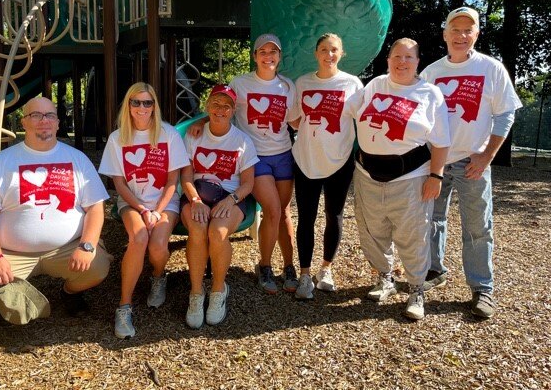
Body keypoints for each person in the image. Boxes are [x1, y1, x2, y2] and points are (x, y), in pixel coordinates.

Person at [0, 97, 112, 325]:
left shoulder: (77, 159)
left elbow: (96, 207)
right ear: (24, 122)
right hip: (12, 252)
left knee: (97, 267)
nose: (44, 121)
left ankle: (69, 293)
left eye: (50, 115)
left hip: (66, 248)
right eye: (36, 115)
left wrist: (87, 246)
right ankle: (18, 295)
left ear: (58, 123)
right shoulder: (2, 162)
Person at [421, 7, 522, 318]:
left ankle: (482, 289)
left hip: (472, 162)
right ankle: (433, 270)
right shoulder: (431, 72)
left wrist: (487, 155)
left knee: (478, 227)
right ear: (445, 34)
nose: (461, 36)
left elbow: (505, 113)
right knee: (431, 219)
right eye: (456, 29)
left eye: (468, 30)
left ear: (477, 34)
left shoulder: (491, 69)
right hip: (436, 162)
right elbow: (419, 115)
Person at [349, 38, 450, 320]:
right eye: (396, 56)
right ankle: (385, 278)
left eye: (408, 57)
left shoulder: (430, 93)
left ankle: (417, 289)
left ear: (418, 62)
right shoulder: (375, 85)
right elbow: (347, 111)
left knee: (412, 235)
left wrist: (436, 176)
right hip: (368, 174)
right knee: (371, 231)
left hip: (411, 176)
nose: (401, 62)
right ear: (388, 59)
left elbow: (441, 142)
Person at [189, 34, 298, 294]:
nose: (268, 56)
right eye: (263, 51)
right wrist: (201, 122)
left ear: (279, 56)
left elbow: (295, 122)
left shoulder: (287, 86)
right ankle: (265, 266)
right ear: (255, 56)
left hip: (283, 153)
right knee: (272, 209)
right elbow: (220, 106)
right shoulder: (241, 83)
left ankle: (289, 266)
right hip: (254, 156)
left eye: (273, 51)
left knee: (283, 212)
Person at [99, 82, 189, 339]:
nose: (141, 107)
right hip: (131, 202)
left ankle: (158, 277)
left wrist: (158, 211)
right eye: (136, 102)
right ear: (128, 105)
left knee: (158, 245)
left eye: (147, 103)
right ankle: (124, 306)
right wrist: (141, 209)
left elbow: (173, 181)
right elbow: (119, 184)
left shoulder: (168, 134)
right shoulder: (118, 138)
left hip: (165, 201)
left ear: (154, 107)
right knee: (138, 238)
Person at [288, 33, 362, 299]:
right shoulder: (303, 82)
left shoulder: (352, 83)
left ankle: (326, 269)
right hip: (306, 159)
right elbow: (295, 120)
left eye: (334, 50)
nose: (328, 55)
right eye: (323, 49)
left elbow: (361, 119)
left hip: (340, 161)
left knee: (335, 215)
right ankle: (305, 275)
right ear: (316, 53)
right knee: (306, 218)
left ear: (341, 54)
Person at [180, 84, 259, 328]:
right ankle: (195, 293)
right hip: (197, 194)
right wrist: (195, 201)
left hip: (230, 196)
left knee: (217, 232)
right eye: (215, 103)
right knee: (197, 229)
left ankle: (217, 291)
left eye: (226, 105)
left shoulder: (242, 141)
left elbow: (248, 183)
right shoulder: (194, 135)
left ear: (233, 110)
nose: (220, 109)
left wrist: (231, 199)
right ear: (207, 106)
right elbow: (186, 177)